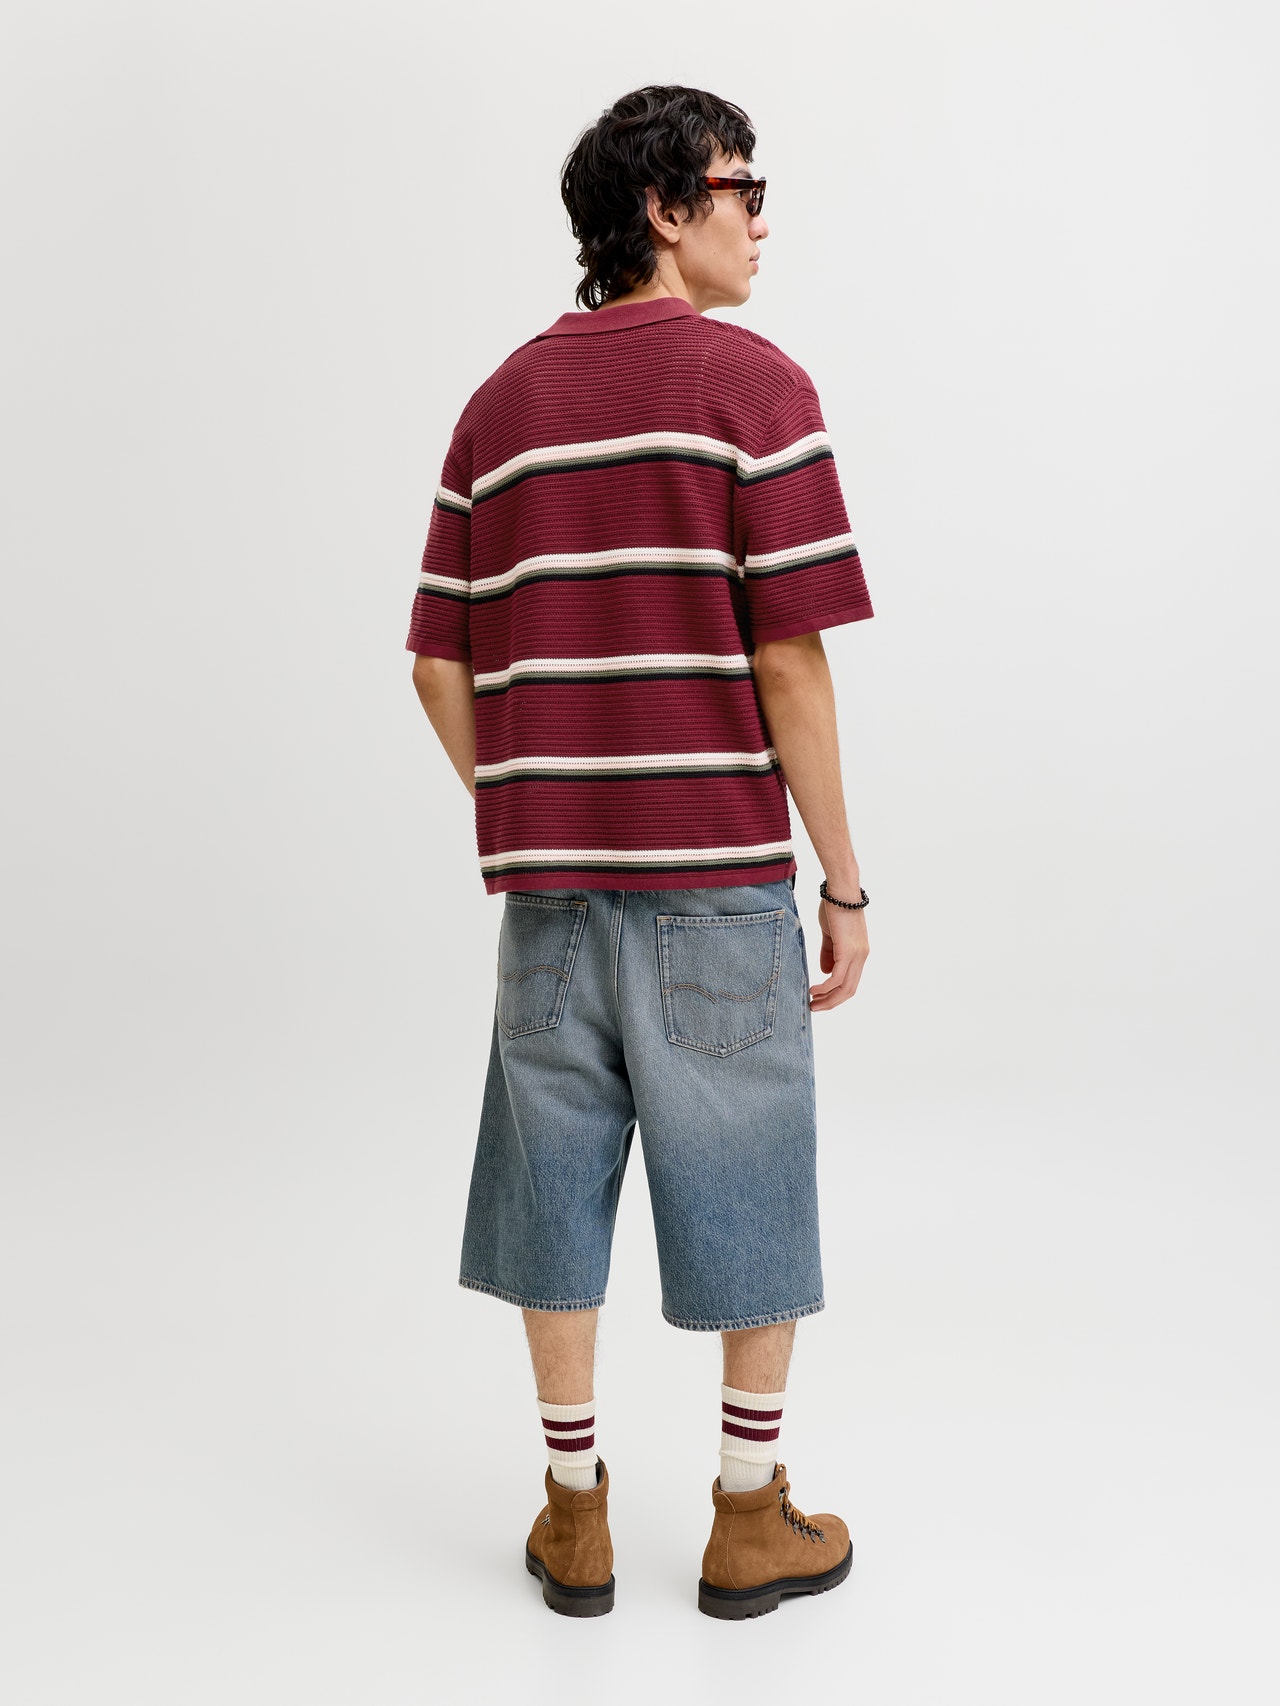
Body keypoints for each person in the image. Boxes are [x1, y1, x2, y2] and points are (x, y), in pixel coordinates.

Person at [407, 84, 874, 1621]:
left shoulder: (498, 408)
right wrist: (844, 880)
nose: (762, 218)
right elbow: (791, 660)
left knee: (553, 1186)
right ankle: (748, 1516)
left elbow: (436, 664)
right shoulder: (755, 386)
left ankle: (573, 1513)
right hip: (716, 884)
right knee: (750, 1174)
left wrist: (528, 799)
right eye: (744, 187)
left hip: (548, 902)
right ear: (665, 209)